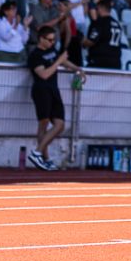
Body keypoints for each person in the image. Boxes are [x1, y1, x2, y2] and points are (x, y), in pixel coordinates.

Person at [25, 23, 81, 170]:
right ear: (41, 39)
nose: (52, 43)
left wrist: (77, 69)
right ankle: (43, 157)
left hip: (53, 89)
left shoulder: (52, 50)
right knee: (43, 125)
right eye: (49, 40)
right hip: (42, 90)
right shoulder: (35, 55)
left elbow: (63, 61)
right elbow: (44, 74)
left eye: (53, 40)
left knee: (60, 124)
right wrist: (59, 61)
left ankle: (38, 153)